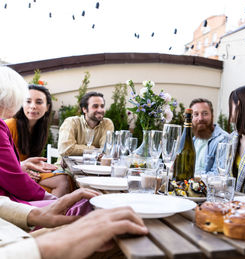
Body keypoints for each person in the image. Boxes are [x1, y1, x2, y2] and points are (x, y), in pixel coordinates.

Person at [0, 188, 148, 259]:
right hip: (17, 250)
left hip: (11, 238)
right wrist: (44, 250)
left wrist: (34, 214)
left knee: (119, 233)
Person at [6, 84, 71, 197]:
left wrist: (41, 166)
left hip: (27, 173)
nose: (33, 106)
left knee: (68, 179)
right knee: (63, 182)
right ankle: (48, 212)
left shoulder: (40, 129)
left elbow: (31, 160)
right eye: (28, 101)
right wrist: (22, 168)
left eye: (39, 102)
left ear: (47, 107)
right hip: (10, 175)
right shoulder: (9, 125)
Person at [58, 91, 114, 156]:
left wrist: (79, 149)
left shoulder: (107, 123)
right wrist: (93, 149)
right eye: (95, 106)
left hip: (94, 165)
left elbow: (106, 151)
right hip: (67, 165)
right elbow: (65, 149)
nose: (100, 110)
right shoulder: (71, 122)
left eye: (102, 106)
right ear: (84, 109)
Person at [190, 98, 229, 175]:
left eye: (205, 113)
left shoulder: (223, 139)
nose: (200, 118)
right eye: (196, 114)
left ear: (212, 115)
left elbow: (218, 174)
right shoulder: (193, 140)